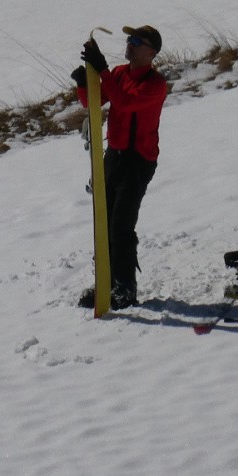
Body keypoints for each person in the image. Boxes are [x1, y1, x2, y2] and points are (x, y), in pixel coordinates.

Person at [70, 25, 170, 308]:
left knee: (120, 227)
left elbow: (124, 103)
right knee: (103, 222)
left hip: (138, 161)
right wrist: (83, 83)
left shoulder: (155, 84)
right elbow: (96, 102)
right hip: (113, 156)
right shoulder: (119, 73)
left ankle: (124, 287)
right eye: (129, 39)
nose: (130, 44)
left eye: (137, 41)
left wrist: (101, 70)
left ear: (151, 53)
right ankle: (105, 281)